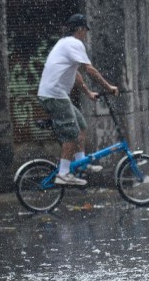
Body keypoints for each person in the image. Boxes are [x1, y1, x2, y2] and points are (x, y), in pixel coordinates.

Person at [37, 14, 119, 186]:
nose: (86, 35)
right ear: (81, 29)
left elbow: (76, 74)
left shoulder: (64, 43)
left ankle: (81, 164)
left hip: (54, 95)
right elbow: (89, 70)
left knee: (81, 125)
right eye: (85, 31)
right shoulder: (74, 43)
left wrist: (88, 93)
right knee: (71, 133)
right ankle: (64, 173)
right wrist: (108, 87)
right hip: (54, 95)